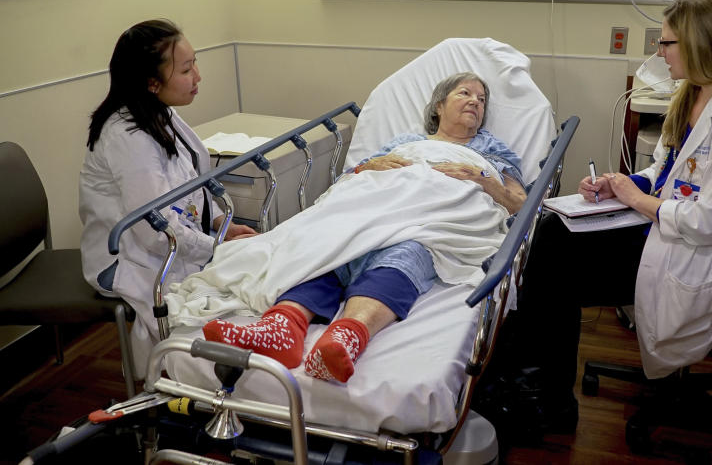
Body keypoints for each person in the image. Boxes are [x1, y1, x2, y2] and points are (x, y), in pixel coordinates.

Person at [511, 0, 712, 431]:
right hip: (663, 231)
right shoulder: (694, 95)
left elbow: (710, 222)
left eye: (667, 43)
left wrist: (637, 201)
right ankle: (538, 386)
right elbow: (665, 170)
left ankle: (544, 396)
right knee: (552, 233)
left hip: (697, 255)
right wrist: (621, 186)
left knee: (555, 269)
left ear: (701, 45)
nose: (659, 51)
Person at [201, 72, 527, 383]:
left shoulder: (490, 151)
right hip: (373, 204)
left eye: (482, 99)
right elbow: (347, 183)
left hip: (431, 217)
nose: (475, 102)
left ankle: (347, 335)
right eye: (465, 93)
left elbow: (519, 203)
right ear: (438, 105)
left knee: (406, 250)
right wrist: (368, 166)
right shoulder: (405, 142)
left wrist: (482, 179)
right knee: (333, 241)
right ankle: (282, 326)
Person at [79, 19, 256, 352]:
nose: (198, 76)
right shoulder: (127, 138)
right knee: (208, 316)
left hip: (167, 241)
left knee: (237, 283)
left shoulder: (158, 113)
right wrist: (216, 246)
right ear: (152, 82)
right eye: (186, 70)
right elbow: (155, 232)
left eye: (194, 64)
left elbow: (190, 179)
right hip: (125, 260)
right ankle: (181, 385)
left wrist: (222, 225)